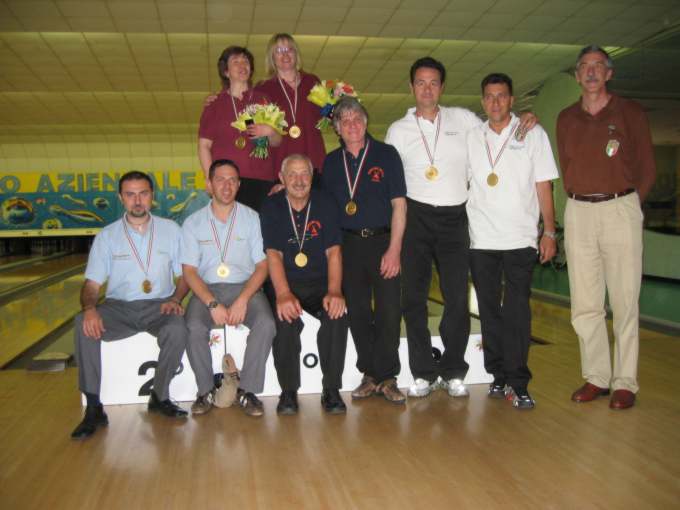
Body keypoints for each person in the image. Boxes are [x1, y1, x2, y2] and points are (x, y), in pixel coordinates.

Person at [385, 57, 535, 399]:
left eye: (433, 83)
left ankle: (453, 370)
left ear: (442, 87)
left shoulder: (464, 120)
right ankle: (423, 372)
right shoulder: (398, 130)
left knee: (456, 298)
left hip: (455, 219)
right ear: (411, 87)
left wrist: (526, 117)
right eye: (420, 82)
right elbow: (392, 188)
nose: (427, 89)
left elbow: (498, 128)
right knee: (414, 299)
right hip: (416, 217)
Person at [556, 45, 656, 410]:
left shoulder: (630, 112)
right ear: (577, 75)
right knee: (585, 303)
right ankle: (597, 377)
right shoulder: (566, 118)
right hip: (579, 210)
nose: (591, 71)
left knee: (625, 299)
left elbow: (647, 167)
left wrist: (629, 206)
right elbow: (566, 165)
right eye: (585, 66)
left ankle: (625, 381)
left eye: (598, 65)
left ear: (609, 73)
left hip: (620, 207)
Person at [71, 171, 189, 440]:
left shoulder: (171, 230)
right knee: (82, 323)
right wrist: (89, 309)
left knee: (178, 328)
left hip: (160, 306)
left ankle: (159, 396)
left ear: (152, 196)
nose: (137, 200)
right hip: (118, 308)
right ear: (120, 198)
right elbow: (91, 285)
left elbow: (184, 275)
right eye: (130, 194)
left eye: (143, 193)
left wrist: (175, 299)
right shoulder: (107, 236)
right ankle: (94, 407)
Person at [466, 73, 559, 409]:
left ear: (512, 100)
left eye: (502, 96)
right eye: (489, 96)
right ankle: (498, 375)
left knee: (517, 311)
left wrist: (549, 231)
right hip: (481, 239)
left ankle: (518, 382)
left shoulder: (532, 133)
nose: (495, 102)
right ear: (482, 101)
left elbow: (543, 185)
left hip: (520, 238)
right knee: (489, 310)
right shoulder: (471, 136)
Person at [322, 97, 408, 405]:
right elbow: (324, 209)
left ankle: (388, 376)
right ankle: (370, 375)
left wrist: (394, 249)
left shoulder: (386, 155)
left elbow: (400, 205)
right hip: (348, 246)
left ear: (366, 122)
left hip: (383, 242)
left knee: (389, 311)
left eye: (357, 118)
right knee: (357, 312)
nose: (352, 125)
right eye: (345, 121)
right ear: (337, 128)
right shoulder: (332, 163)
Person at [181, 159, 275, 417]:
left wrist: (243, 299)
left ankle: (248, 391)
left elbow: (262, 266)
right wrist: (212, 303)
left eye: (232, 180)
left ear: (239, 185)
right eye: (220, 179)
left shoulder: (252, 218)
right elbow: (189, 271)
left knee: (266, 323)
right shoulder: (193, 223)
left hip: (245, 287)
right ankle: (205, 391)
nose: (226, 185)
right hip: (207, 289)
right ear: (209, 184)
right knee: (193, 326)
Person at [260, 154, 348, 414]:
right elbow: (273, 254)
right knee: (284, 320)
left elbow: (334, 251)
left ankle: (331, 389)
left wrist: (334, 290)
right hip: (286, 281)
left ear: (312, 177)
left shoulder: (326, 202)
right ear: (281, 178)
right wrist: (283, 293)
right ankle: (288, 391)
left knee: (337, 316)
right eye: (292, 174)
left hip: (320, 282)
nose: (299, 181)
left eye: (305, 174)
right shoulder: (272, 206)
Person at [198, 46, 282, 212]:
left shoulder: (264, 100)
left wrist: (270, 131)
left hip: (262, 179)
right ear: (226, 71)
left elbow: (277, 142)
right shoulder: (215, 104)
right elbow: (204, 146)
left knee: (258, 226)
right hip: (227, 181)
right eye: (236, 62)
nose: (242, 65)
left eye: (246, 62)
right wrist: (210, 179)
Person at [255, 34, 327, 180]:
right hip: (280, 164)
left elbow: (326, 117)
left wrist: (335, 103)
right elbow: (252, 125)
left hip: (313, 160)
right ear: (272, 57)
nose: (285, 54)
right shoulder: (263, 88)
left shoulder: (312, 81)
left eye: (289, 49)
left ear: (296, 53)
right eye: (279, 50)